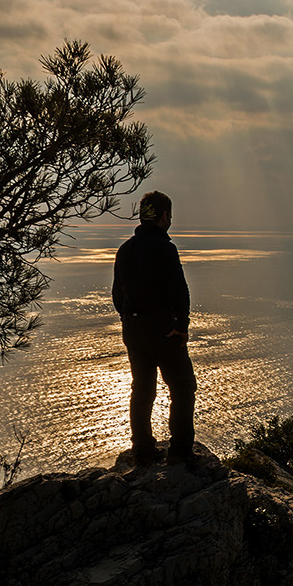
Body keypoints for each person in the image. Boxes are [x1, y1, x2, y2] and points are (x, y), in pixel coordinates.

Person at [112, 190, 196, 464]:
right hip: (163, 330)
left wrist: (129, 321)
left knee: (142, 388)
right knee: (183, 387)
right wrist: (182, 327)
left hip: (134, 330)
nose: (169, 220)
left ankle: (143, 450)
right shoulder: (165, 248)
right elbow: (180, 291)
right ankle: (181, 451)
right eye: (169, 215)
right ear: (163, 217)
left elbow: (117, 295)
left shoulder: (125, 249)